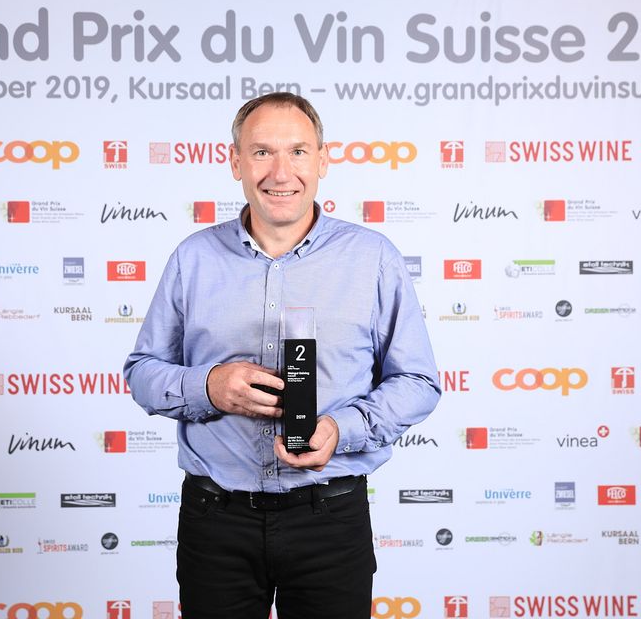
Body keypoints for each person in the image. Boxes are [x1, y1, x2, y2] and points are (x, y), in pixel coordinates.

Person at [124, 92, 440, 619]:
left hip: (329, 518)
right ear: (236, 163)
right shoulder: (193, 258)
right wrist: (209, 387)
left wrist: (340, 429)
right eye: (261, 152)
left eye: (297, 151)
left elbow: (418, 382)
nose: (280, 172)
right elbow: (142, 372)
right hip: (216, 521)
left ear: (322, 160)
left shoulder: (373, 259)